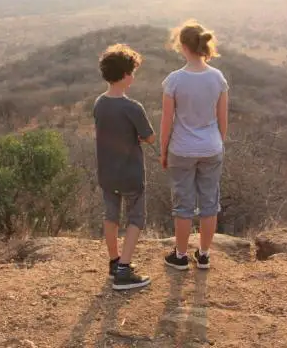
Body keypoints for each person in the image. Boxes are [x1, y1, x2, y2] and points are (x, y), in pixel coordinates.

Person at [160, 21, 229, 270]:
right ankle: (204, 255)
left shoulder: (174, 80)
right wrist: (218, 143)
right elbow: (223, 119)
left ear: (183, 47)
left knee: (183, 205)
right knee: (210, 204)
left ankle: (180, 256)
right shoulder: (217, 78)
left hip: (182, 149)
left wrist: (163, 150)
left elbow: (167, 121)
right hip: (211, 147)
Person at [93, 44, 155, 290]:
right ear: (126, 75)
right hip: (130, 173)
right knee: (136, 218)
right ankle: (124, 270)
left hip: (107, 172)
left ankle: (114, 261)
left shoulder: (99, 103)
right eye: (133, 72)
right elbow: (149, 137)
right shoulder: (132, 107)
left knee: (111, 216)